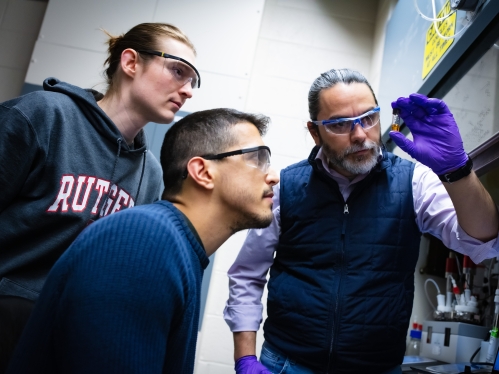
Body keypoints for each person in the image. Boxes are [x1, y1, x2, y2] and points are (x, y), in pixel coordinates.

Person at [224, 69, 499, 374]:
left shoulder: (414, 182)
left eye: (368, 118)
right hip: (288, 362)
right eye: (340, 124)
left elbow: (483, 243)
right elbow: (247, 274)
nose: (359, 134)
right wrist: (245, 358)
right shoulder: (285, 187)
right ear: (315, 132)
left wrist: (457, 170)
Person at [6, 108, 280, 374]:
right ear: (203, 172)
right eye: (257, 158)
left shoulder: (177, 247)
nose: (273, 176)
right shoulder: (143, 241)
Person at [0, 22, 200, 371]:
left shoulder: (149, 174)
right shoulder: (44, 115)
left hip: (70, 336)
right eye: (178, 71)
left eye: (193, 81)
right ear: (131, 62)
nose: (188, 91)